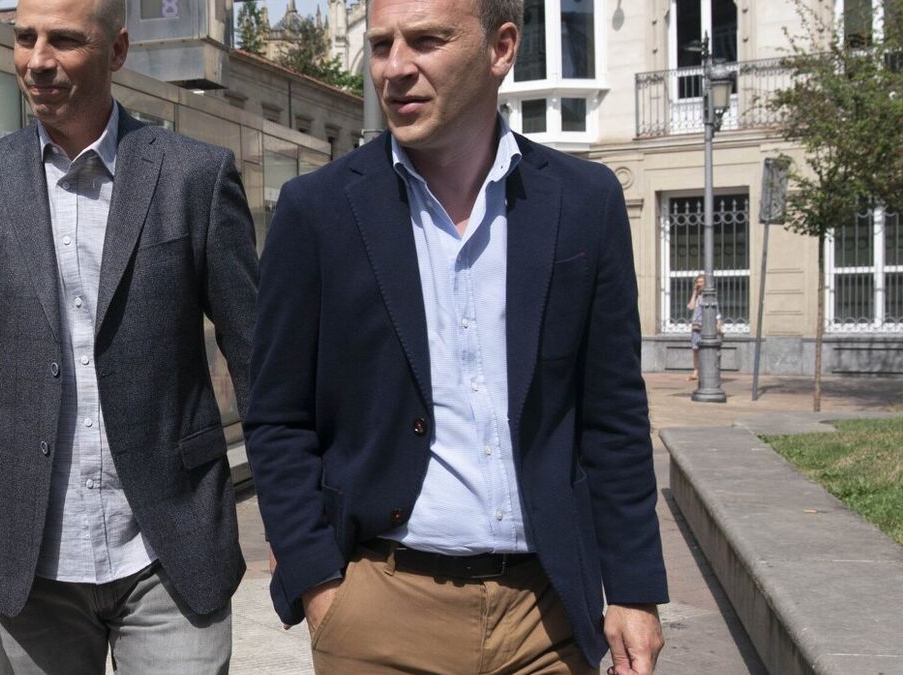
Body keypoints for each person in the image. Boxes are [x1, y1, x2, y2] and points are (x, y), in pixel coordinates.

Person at [244, 0, 667, 673]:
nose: (396, 68)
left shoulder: (584, 203)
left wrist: (636, 589)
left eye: (427, 40)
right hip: (380, 610)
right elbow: (275, 414)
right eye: (382, 45)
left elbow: (613, 411)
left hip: (549, 615)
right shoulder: (317, 212)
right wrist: (320, 584)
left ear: (501, 49)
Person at [0, 0, 258, 671]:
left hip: (171, 545)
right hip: (32, 559)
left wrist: (296, 512)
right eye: (24, 38)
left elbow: (256, 352)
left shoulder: (194, 176)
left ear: (116, 51)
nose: (37, 61)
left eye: (63, 40)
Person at [687, 273, 723, 381]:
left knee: (707, 350)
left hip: (706, 327)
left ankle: (709, 372)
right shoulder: (697, 296)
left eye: (701, 282)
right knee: (695, 350)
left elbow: (717, 312)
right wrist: (694, 292)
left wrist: (719, 324)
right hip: (696, 326)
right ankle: (695, 372)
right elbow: (690, 307)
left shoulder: (710, 296)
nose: (699, 284)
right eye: (698, 282)